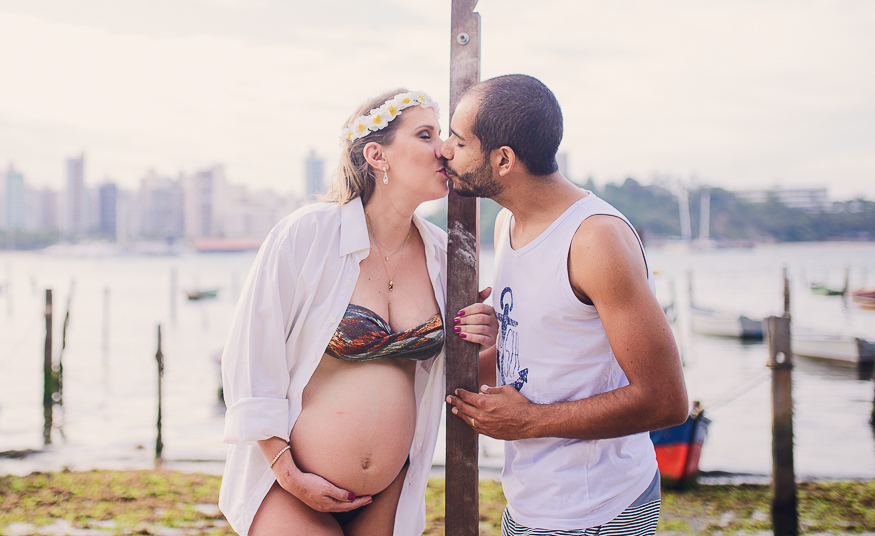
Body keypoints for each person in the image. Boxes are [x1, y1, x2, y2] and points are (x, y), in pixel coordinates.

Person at [219, 89, 496, 536]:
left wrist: (490, 340)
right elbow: (251, 359)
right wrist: (288, 474)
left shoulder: (446, 257)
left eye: (441, 135)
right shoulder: (306, 236)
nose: (445, 148)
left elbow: (460, 380)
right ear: (376, 155)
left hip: (387, 492)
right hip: (287, 483)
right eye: (425, 134)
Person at [440, 74, 688, 536]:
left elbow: (666, 401)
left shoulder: (595, 240)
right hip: (531, 499)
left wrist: (529, 420)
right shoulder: (507, 225)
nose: (444, 149)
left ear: (503, 160)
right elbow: (538, 358)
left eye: (458, 139)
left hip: (596, 508)